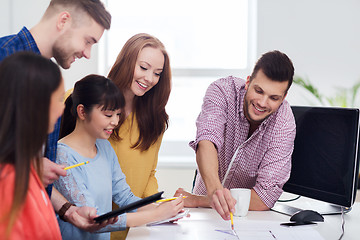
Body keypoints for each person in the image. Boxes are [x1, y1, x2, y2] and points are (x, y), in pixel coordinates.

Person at [0, 0, 112, 231]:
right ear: (63, 20)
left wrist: (67, 210)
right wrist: (25, 165)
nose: (87, 53)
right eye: (87, 40)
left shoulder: (50, 78)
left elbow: (33, 176)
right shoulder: (5, 58)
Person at [54, 75, 184, 240]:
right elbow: (95, 220)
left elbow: (125, 198)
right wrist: (156, 215)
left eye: (118, 114)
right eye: (109, 115)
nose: (116, 121)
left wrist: (165, 210)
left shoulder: (104, 146)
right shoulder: (63, 155)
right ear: (82, 111)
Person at [175, 50, 296, 220]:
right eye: (259, 91)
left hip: (249, 218)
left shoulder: (284, 122)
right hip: (202, 216)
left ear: (283, 97)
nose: (262, 103)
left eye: (273, 98)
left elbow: (264, 198)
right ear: (248, 82)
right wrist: (215, 194)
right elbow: (206, 141)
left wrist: (200, 200)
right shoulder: (222, 91)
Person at [106, 33, 171, 239]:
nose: (150, 79)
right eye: (143, 68)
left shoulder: (155, 119)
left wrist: (157, 208)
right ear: (126, 62)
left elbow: (148, 173)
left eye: (157, 73)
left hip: (134, 227)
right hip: (93, 224)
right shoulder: (86, 103)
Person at [0, 52, 64, 239]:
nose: (62, 108)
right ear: (37, 105)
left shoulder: (26, 168)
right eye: (60, 99)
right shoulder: (9, 184)